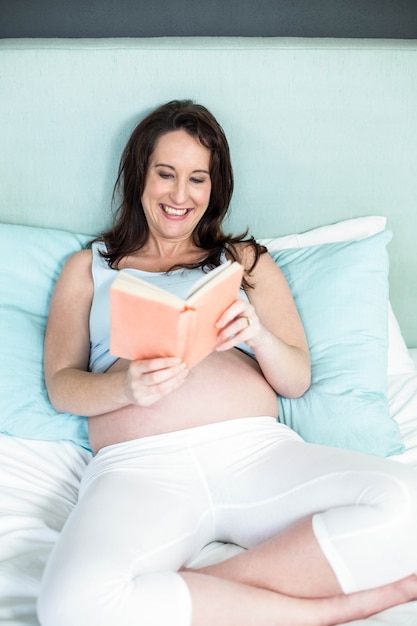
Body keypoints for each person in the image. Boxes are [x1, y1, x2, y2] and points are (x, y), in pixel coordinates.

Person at [38, 99, 417, 626]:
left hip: (255, 454)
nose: (179, 195)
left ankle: (195, 594)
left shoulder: (244, 261)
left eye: (198, 179)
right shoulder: (88, 267)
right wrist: (126, 388)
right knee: (66, 606)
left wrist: (258, 336)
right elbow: (61, 384)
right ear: (138, 177)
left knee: (409, 504)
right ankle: (320, 610)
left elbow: (297, 378)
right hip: (139, 470)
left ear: (215, 187)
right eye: (165, 174)